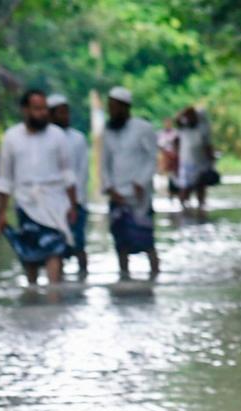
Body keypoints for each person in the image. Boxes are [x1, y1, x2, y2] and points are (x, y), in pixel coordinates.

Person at [0, 89, 78, 286]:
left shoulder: (57, 136)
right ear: (25, 110)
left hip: (55, 203)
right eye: (37, 109)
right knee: (30, 255)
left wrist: (73, 205)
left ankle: (54, 297)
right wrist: (2, 213)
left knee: (55, 250)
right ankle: (32, 299)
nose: (43, 113)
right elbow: (4, 179)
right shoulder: (11, 137)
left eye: (45, 109)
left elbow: (68, 174)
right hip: (26, 203)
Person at [100, 86, 159, 278]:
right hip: (117, 194)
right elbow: (104, 162)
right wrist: (109, 187)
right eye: (109, 106)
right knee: (120, 241)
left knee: (147, 240)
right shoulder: (108, 131)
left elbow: (151, 158)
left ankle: (154, 275)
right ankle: (124, 276)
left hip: (139, 195)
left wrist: (141, 182)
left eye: (114, 106)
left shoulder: (143, 128)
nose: (111, 110)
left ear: (125, 107)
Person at [47, 93, 90, 275]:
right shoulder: (44, 139)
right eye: (61, 113)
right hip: (51, 204)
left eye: (67, 113)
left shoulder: (78, 139)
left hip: (75, 202)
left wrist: (75, 202)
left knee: (78, 244)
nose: (66, 117)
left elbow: (82, 171)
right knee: (56, 249)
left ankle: (83, 277)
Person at [174, 106, 215, 214]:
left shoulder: (203, 129)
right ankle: (184, 209)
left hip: (200, 163)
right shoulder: (184, 127)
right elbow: (177, 120)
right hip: (186, 163)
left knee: (200, 187)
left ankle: (200, 208)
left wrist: (211, 161)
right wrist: (185, 112)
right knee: (185, 188)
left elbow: (208, 147)